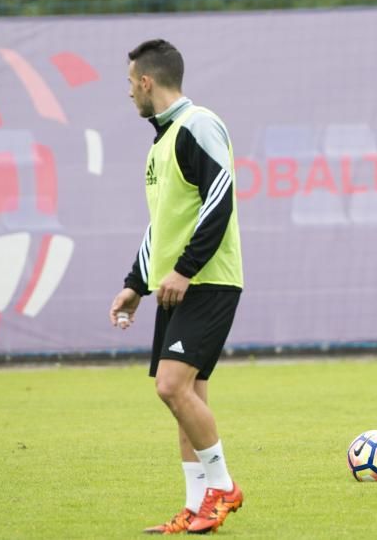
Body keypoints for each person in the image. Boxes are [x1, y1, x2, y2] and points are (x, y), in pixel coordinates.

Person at [108, 39, 245, 534]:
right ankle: (195, 507)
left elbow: (220, 197)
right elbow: (161, 224)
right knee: (188, 397)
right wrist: (134, 285)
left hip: (206, 282)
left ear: (147, 81)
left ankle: (224, 487)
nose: (129, 94)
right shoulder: (162, 141)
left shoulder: (198, 124)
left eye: (130, 84)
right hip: (175, 287)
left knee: (171, 387)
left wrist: (185, 269)